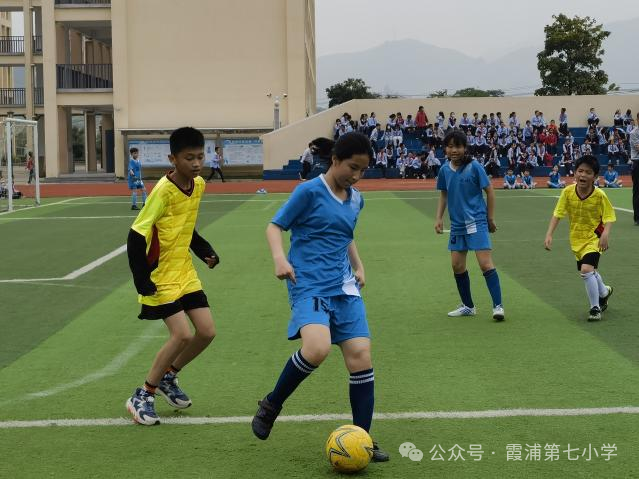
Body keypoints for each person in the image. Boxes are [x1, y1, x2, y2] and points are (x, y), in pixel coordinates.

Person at [250, 132, 389, 462]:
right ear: (336, 160)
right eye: (352, 168)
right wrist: (279, 258)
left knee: (361, 356)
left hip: (343, 286)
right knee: (317, 348)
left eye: (363, 171)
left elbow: (346, 234)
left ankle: (363, 439)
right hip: (308, 283)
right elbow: (275, 226)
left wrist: (359, 265)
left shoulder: (356, 199)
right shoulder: (309, 191)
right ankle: (271, 404)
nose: (356, 176)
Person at [125, 127, 220, 425]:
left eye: (199, 157)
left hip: (185, 271)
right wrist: (141, 279)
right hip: (160, 275)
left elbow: (185, 226)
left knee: (206, 332)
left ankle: (169, 377)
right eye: (188, 158)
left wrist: (204, 249)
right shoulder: (162, 191)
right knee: (182, 334)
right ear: (173, 158)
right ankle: (143, 394)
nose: (195, 163)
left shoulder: (200, 184)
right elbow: (136, 235)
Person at [434, 130, 504, 321]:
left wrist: (490, 219)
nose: (453, 150)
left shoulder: (475, 167)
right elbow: (444, 194)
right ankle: (468, 306)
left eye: (457, 146)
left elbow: (489, 191)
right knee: (457, 266)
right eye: (449, 146)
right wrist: (439, 218)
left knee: (485, 263)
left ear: (465, 148)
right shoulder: (444, 170)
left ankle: (498, 306)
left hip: (477, 222)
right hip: (457, 225)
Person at [544, 155, 616, 321]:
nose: (583, 175)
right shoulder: (567, 192)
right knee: (590, 271)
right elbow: (558, 214)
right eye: (580, 171)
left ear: (595, 177)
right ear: (574, 173)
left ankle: (595, 308)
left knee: (586, 270)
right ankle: (604, 292)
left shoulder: (599, 195)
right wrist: (549, 234)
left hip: (595, 238)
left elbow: (609, 216)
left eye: (588, 172)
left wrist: (605, 233)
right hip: (576, 239)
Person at [630, 114, 639, 225]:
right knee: (637, 191)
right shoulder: (634, 133)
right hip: (637, 163)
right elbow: (638, 147)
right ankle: (637, 217)